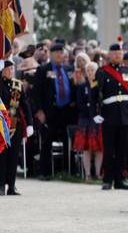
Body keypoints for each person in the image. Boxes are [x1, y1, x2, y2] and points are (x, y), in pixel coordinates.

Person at [91, 43, 128, 190]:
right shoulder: (101, 72)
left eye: (120, 54)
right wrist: (94, 114)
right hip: (109, 115)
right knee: (109, 149)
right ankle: (107, 179)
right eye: (115, 54)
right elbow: (93, 95)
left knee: (122, 149)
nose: (118, 56)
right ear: (109, 55)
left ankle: (120, 179)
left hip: (125, 115)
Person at [33, 42, 74, 180]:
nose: (58, 54)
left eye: (61, 52)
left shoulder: (69, 69)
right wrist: (39, 111)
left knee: (68, 141)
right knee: (47, 142)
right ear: (50, 54)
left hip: (66, 111)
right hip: (49, 111)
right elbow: (36, 92)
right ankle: (43, 172)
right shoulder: (43, 69)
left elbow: (73, 88)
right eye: (55, 52)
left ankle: (68, 171)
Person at [0, 60, 33, 195]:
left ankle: (11, 186)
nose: (11, 71)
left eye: (12, 69)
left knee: (14, 156)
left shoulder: (17, 85)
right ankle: (1, 185)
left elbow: (25, 105)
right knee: (2, 156)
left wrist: (30, 123)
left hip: (15, 124)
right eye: (8, 68)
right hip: (1, 125)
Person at [73, 58, 103, 181]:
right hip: (86, 120)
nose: (90, 72)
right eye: (88, 70)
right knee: (86, 149)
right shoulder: (81, 86)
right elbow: (79, 104)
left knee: (100, 149)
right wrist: (91, 111)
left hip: (99, 120)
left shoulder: (101, 85)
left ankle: (98, 173)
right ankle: (88, 175)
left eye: (93, 70)